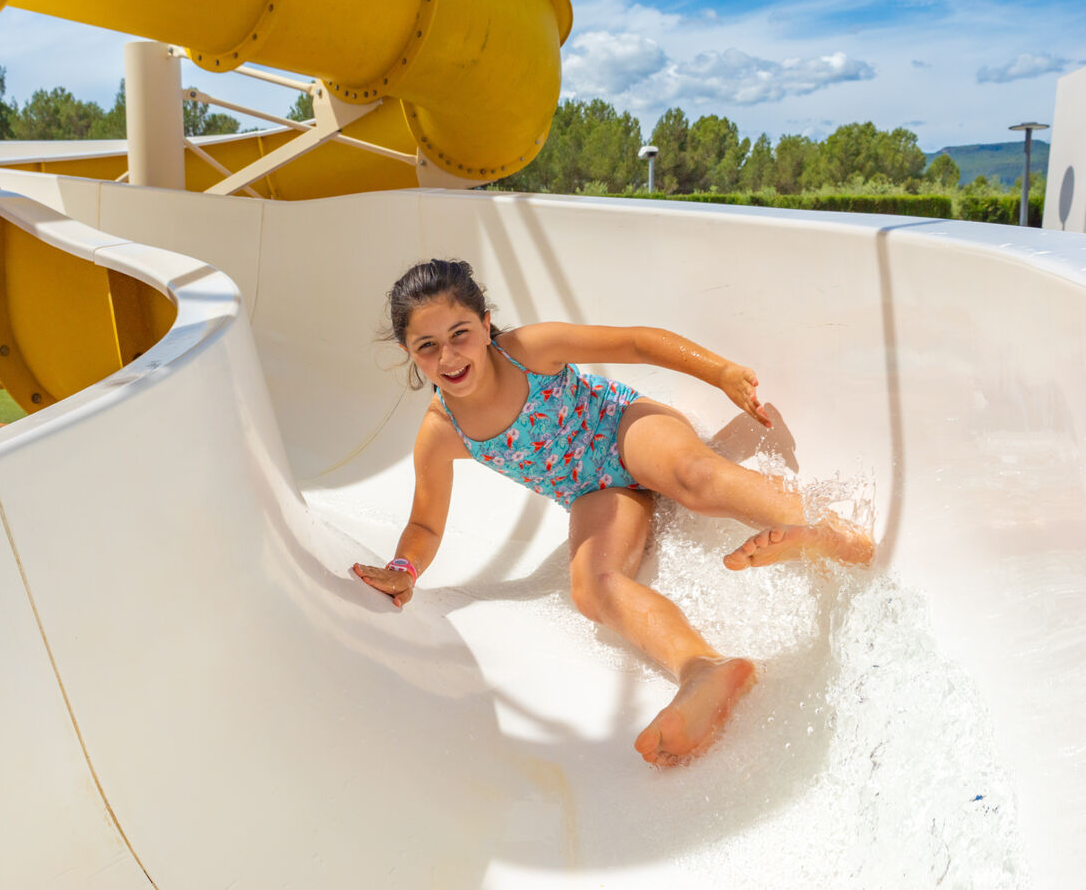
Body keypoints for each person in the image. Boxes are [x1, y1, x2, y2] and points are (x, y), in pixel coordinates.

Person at [352, 259, 873, 768]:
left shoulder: (528, 350)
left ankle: (827, 528)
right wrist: (404, 570)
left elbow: (636, 342)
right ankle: (704, 669)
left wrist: (722, 373)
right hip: (593, 491)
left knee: (694, 477)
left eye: (460, 333)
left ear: (486, 324)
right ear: (409, 352)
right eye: (428, 346)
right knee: (592, 587)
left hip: (625, 430)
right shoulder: (441, 431)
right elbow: (424, 524)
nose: (448, 355)